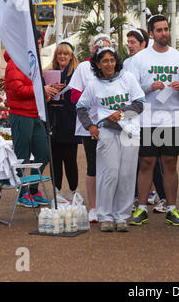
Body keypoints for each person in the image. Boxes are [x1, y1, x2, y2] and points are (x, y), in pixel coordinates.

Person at [128, 14, 179, 227]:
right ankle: (141, 208)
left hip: (172, 118)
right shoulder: (139, 59)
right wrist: (149, 87)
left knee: (170, 163)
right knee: (146, 162)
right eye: (159, 30)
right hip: (147, 118)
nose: (164, 33)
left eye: (166, 29)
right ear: (151, 33)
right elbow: (130, 90)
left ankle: (172, 209)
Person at [76, 46, 145, 232]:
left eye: (112, 60)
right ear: (98, 64)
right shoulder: (93, 84)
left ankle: (121, 216)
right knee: (109, 174)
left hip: (130, 130)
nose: (109, 64)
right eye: (105, 61)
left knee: (127, 174)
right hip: (106, 131)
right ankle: (105, 215)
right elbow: (80, 107)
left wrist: (121, 113)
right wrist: (90, 126)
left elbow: (140, 103)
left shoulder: (127, 78)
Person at [4, 31, 52, 207]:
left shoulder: (32, 62)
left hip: (34, 114)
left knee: (44, 153)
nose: (39, 46)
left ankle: (32, 189)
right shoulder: (15, 63)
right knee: (22, 157)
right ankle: (23, 193)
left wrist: (45, 94)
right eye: (36, 43)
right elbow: (18, 90)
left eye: (40, 43)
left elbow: (31, 89)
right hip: (20, 115)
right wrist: (41, 91)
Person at [123, 27, 167, 211]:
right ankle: (134, 198)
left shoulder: (153, 60)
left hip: (153, 117)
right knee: (134, 158)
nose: (130, 45)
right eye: (128, 42)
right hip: (132, 117)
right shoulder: (126, 63)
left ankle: (163, 197)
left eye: (134, 42)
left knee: (154, 160)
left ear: (144, 43)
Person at [69, 34, 111, 223]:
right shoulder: (84, 68)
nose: (101, 49)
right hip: (90, 126)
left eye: (107, 47)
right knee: (93, 166)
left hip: (113, 125)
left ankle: (109, 205)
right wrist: (92, 98)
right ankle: (93, 207)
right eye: (98, 47)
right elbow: (73, 96)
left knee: (111, 167)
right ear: (92, 48)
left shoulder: (116, 69)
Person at [46, 41, 81, 198]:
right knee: (55, 159)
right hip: (52, 118)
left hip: (69, 119)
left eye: (65, 54)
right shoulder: (48, 73)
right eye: (59, 53)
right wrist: (47, 94)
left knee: (70, 158)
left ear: (71, 56)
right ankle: (56, 191)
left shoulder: (76, 74)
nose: (62, 56)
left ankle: (74, 190)